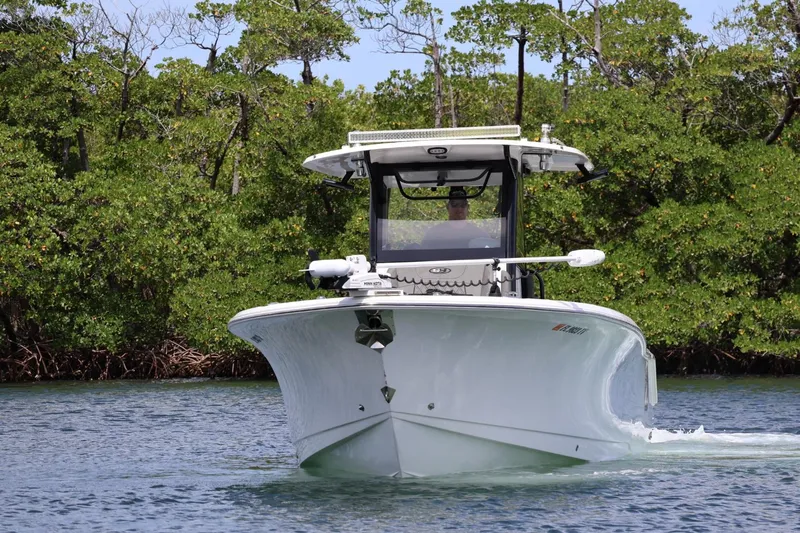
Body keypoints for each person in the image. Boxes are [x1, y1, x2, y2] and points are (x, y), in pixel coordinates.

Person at [421, 188, 491, 249]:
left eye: (463, 205)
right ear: (448, 207)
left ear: (468, 208)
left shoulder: (479, 235)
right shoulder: (433, 234)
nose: (459, 209)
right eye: (454, 205)